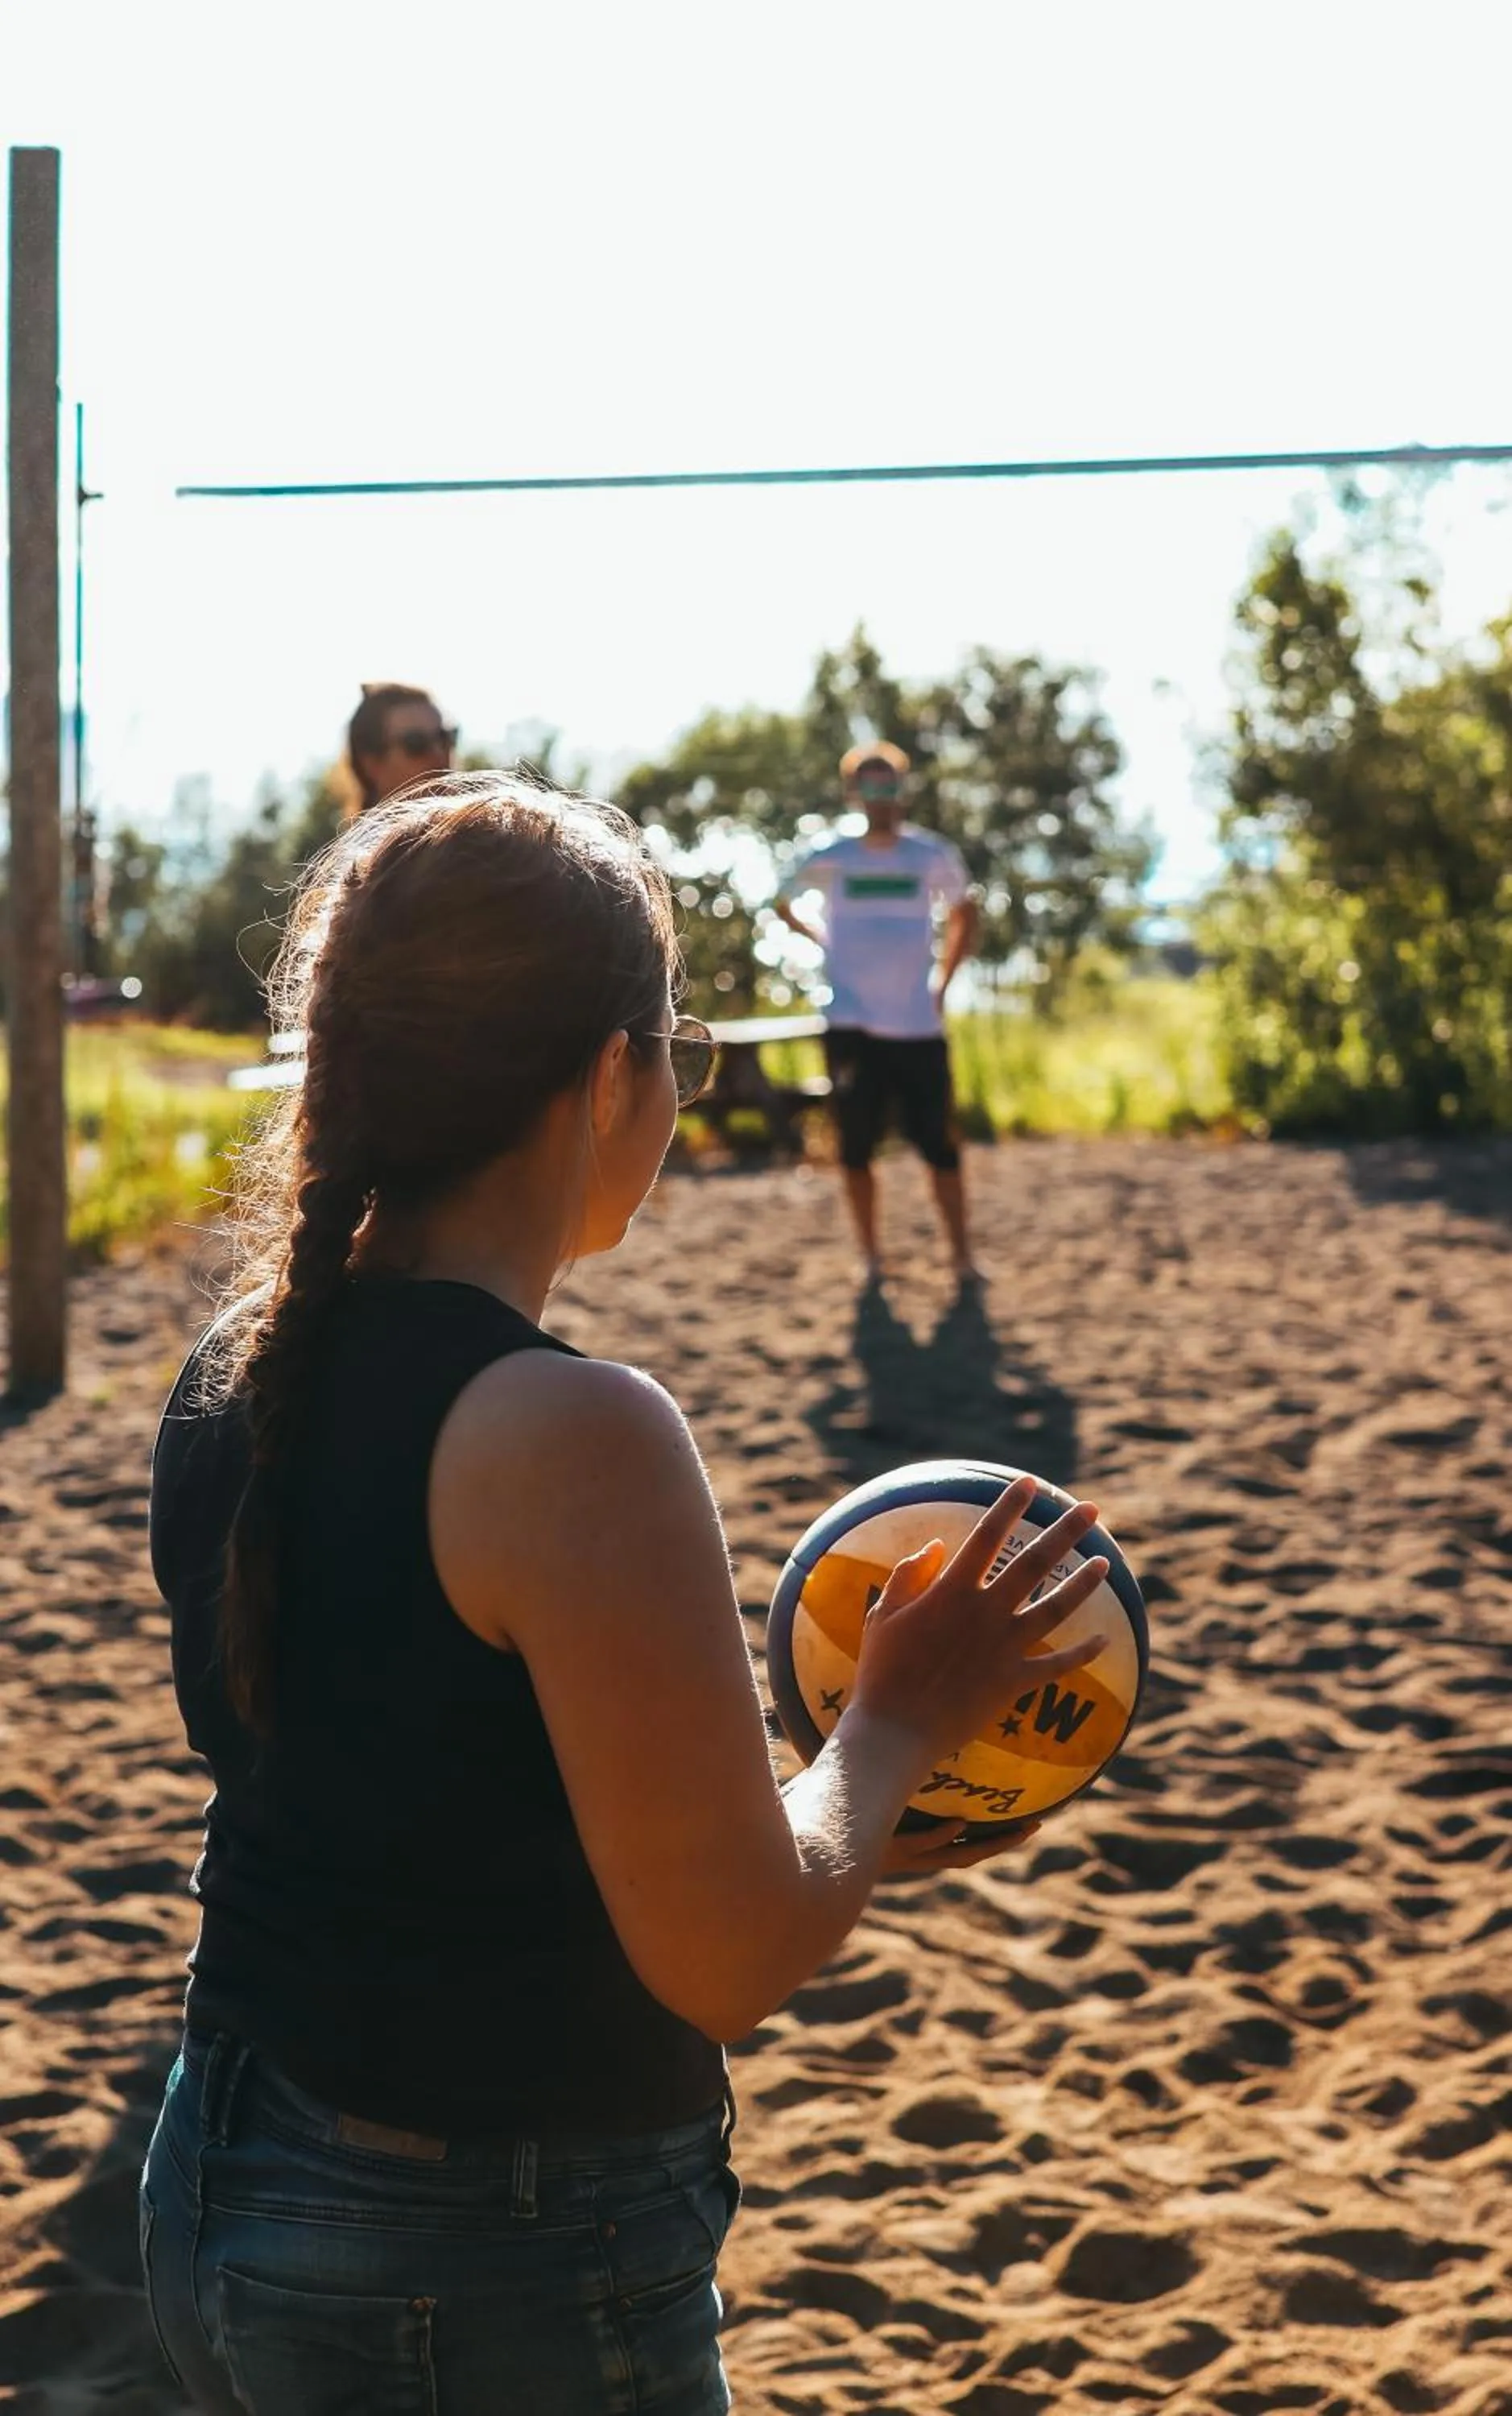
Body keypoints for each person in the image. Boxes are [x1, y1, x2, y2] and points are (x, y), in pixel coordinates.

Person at [141, 771, 1108, 2414]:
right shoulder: (577, 1434)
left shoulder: (241, 1366)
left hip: (226, 2177)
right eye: (678, 1038)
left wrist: (844, 1783)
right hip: (480, 2249)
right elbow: (729, 1957)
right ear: (608, 1076)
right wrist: (894, 1722)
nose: (680, 1077)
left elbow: (416, 1797)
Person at [774, 741, 979, 1285]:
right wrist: (823, 941)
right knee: (857, 1147)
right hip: (850, 1025)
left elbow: (965, 912)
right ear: (853, 794)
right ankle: (870, 1257)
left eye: (889, 784)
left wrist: (944, 982)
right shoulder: (832, 855)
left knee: (941, 1145)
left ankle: (962, 1258)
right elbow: (781, 900)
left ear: (903, 790)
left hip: (918, 1025)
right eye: (870, 786)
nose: (881, 797)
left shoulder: (930, 855)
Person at [345, 680, 456, 813]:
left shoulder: (478, 829)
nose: (438, 753)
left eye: (444, 737)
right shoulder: (372, 834)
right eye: (416, 743)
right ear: (371, 765)